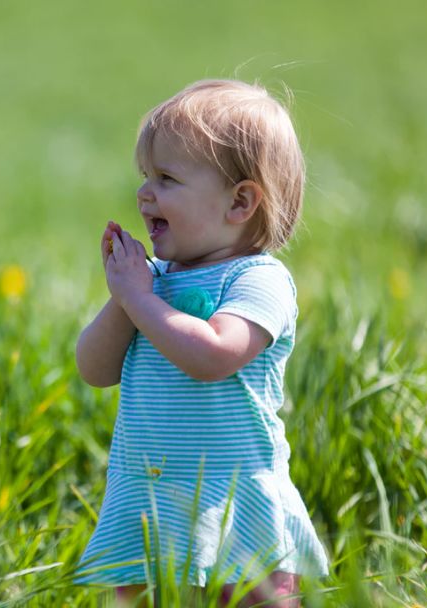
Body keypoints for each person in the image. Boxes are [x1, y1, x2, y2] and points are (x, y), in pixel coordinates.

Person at [74, 79, 329, 607]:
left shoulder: (258, 280)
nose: (144, 193)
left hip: (237, 510)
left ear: (240, 202)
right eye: (145, 177)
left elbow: (214, 355)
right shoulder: (153, 282)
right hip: (150, 507)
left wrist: (141, 300)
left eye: (166, 178)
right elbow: (94, 368)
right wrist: (126, 297)